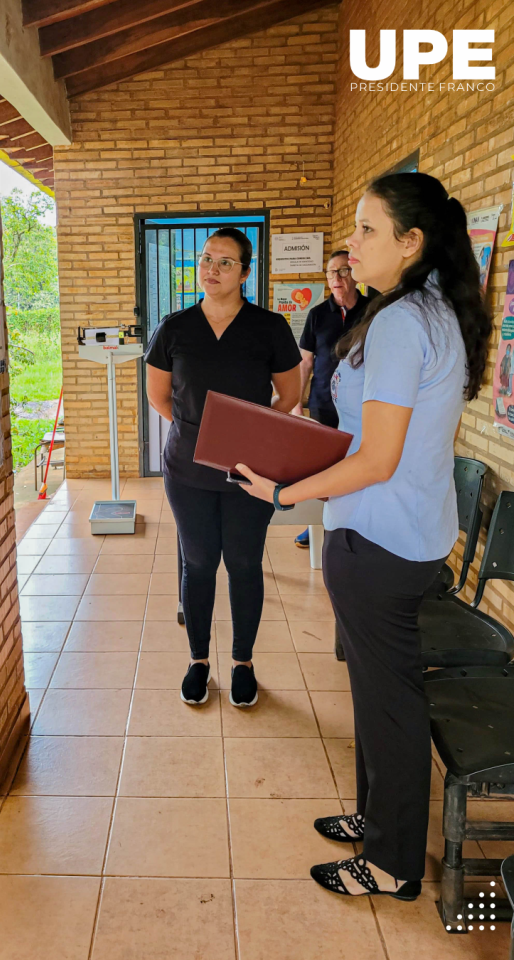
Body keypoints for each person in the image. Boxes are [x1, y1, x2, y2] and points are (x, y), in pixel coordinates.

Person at [236, 172, 491, 901]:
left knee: (389, 703)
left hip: (380, 542)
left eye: (368, 229)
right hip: (404, 532)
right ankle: (377, 817)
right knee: (379, 693)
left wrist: (286, 491)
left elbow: (376, 459)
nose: (352, 243)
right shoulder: (424, 309)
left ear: (412, 242)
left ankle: (392, 863)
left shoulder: (406, 322)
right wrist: (303, 442)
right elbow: (377, 440)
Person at [145, 228, 301, 708]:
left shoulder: (269, 326)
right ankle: (198, 660)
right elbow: (159, 397)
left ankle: (242, 662)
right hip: (188, 469)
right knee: (198, 561)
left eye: (225, 262)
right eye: (206, 258)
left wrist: (247, 436)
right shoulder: (175, 327)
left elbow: (290, 395)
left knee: (244, 562)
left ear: (246, 272)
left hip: (249, 474)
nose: (211, 269)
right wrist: (204, 436)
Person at [292, 251, 371, 548]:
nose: (336, 279)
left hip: (364, 407)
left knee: (356, 464)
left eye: (343, 271)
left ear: (355, 274)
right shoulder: (317, 314)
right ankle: (318, 524)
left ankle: (353, 524)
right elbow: (305, 362)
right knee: (324, 467)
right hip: (324, 403)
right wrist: (297, 401)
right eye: (330, 273)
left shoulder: (373, 310)